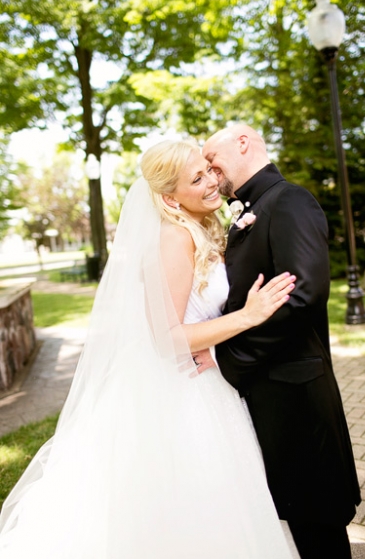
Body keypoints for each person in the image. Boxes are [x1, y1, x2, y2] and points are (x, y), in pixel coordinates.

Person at [0, 140, 298, 558]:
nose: (213, 181)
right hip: (181, 396)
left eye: (208, 170)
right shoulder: (174, 240)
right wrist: (247, 317)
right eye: (197, 179)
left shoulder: (203, 228)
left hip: (211, 383)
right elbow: (166, 339)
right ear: (169, 198)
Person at [197, 124, 361, 559]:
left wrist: (229, 357)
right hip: (265, 393)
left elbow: (304, 295)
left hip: (295, 395)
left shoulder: (288, 200)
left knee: (317, 526)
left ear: (244, 143)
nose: (211, 175)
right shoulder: (251, 207)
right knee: (292, 520)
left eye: (213, 162)